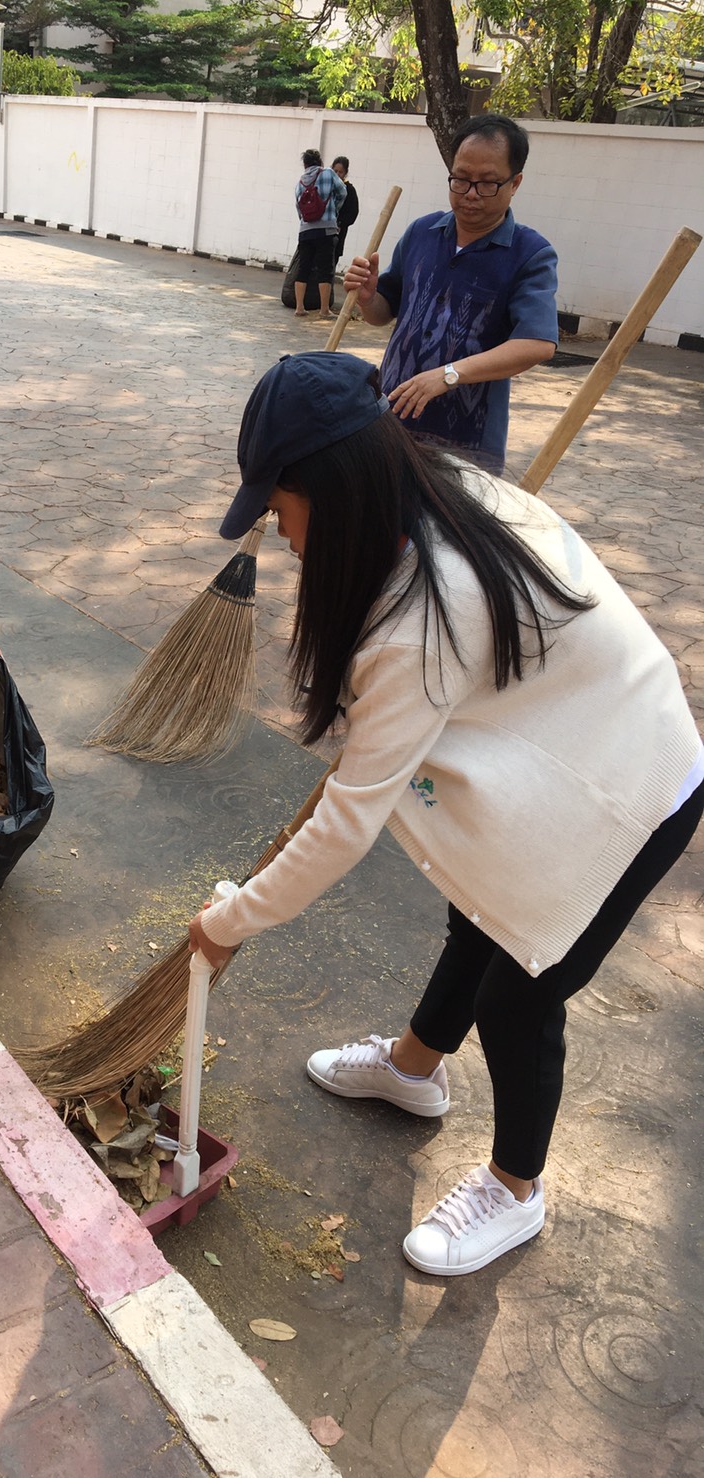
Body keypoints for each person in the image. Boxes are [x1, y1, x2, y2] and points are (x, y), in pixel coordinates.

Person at [188, 351, 703, 1277]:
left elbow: (348, 823)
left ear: (333, 493)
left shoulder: (427, 614)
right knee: (481, 909)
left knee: (523, 989)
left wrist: (230, 924)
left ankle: (515, 1191)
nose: (282, 535)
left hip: (634, 782)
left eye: (280, 509)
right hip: (564, 746)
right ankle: (413, 1071)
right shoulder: (433, 495)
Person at [342, 114, 558, 474]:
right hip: (392, 423)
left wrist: (448, 374)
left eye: (487, 183)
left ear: (515, 182)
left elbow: (537, 344)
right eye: (460, 180)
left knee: (444, 531)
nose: (470, 194)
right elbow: (384, 312)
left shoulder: (530, 254)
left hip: (467, 444)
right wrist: (367, 296)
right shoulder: (422, 233)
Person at [294, 148, 346, 321]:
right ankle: (324, 310)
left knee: (303, 268)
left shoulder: (300, 182)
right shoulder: (329, 174)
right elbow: (343, 191)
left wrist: (307, 220)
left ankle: (299, 307)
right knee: (325, 269)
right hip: (326, 229)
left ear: (305, 164)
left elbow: (299, 208)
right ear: (320, 162)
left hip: (305, 230)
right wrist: (333, 210)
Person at [330, 156, 359, 277]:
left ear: (345, 173)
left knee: (330, 266)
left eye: (340, 172)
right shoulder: (327, 186)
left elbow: (353, 214)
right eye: (335, 171)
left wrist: (340, 223)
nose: (337, 174)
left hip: (337, 234)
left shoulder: (349, 190)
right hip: (322, 233)